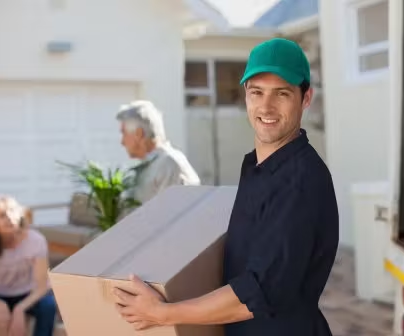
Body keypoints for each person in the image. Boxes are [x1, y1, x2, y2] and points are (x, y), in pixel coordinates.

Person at [112, 38, 340, 336]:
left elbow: (256, 292)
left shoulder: (299, 181)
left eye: (281, 94)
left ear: (305, 98)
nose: (266, 106)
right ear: (246, 95)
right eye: (257, 92)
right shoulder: (260, 169)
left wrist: (162, 313)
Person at [0, 196, 57, 336]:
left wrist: (20, 309)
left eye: (12, 211)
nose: (9, 217)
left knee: (49, 305)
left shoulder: (36, 240)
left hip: (28, 294)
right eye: (2, 215)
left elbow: (42, 286)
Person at [116, 100, 201, 204]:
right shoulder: (152, 165)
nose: (122, 142)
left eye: (124, 133)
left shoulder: (169, 163)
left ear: (139, 133)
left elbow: (170, 215)